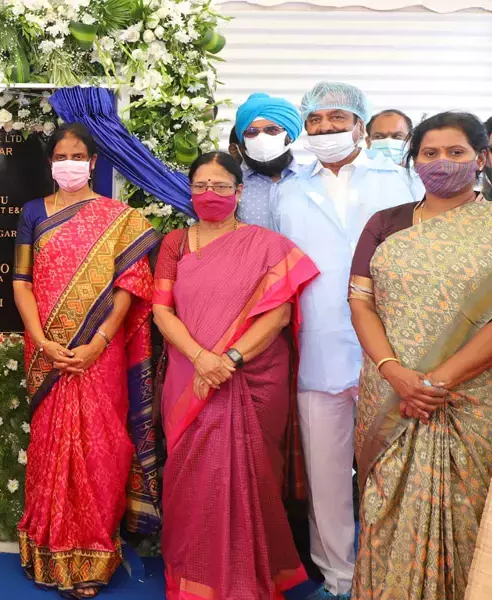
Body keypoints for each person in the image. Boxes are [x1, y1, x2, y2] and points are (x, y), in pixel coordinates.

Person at [270, 81, 414, 600]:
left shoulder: (399, 180)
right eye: (315, 121)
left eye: (337, 119)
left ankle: (391, 570)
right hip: (318, 351)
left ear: (359, 123)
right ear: (304, 127)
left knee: (390, 469)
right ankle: (339, 578)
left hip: (391, 350)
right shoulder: (289, 189)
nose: (326, 129)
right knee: (327, 475)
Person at [154, 151, 320, 599]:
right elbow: (161, 312)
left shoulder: (268, 245)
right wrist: (202, 358)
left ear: (239, 191)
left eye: (222, 186)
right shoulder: (174, 243)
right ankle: (194, 572)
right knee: (190, 475)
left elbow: (280, 314)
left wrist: (229, 358)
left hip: (251, 374)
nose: (210, 195)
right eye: (201, 186)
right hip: (192, 374)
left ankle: (252, 574)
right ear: (190, 192)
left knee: (254, 474)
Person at [13, 123, 161, 598]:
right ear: (51, 163)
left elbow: (130, 287)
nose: (69, 163)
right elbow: (21, 281)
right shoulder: (33, 213)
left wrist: (98, 341)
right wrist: (40, 341)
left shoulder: (120, 218)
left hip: (100, 353)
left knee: (102, 448)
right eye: (61, 155)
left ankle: (95, 551)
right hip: (48, 351)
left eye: (78, 155)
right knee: (49, 449)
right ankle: (47, 549)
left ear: (94, 163)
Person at [350, 112, 492, 599]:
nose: (442, 162)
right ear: (414, 161)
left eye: (456, 152)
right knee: (384, 507)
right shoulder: (385, 223)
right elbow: (360, 302)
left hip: (469, 401)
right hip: (390, 395)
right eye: (430, 153)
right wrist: (396, 374)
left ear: (482, 159)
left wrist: (437, 381)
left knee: (465, 510)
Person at [233, 93, 302, 229]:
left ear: (289, 137)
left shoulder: (311, 179)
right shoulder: (232, 184)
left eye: (272, 130)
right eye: (252, 132)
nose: (262, 138)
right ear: (243, 140)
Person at [366, 109, 425, 199]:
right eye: (379, 137)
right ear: (368, 142)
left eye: (397, 136)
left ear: (410, 141)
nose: (388, 142)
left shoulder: (424, 180)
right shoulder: (356, 178)